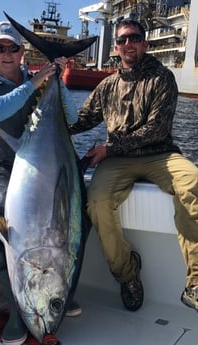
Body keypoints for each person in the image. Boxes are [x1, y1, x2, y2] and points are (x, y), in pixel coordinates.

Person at [70, 19, 198, 312]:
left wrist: (108, 148)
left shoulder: (163, 78)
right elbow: (81, 120)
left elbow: (155, 129)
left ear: (145, 43)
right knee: (97, 203)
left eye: (135, 38)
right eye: (123, 40)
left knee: (192, 181)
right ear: (116, 47)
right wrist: (42, 114)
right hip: (118, 161)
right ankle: (127, 274)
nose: (129, 44)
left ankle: (196, 283)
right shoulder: (107, 86)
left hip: (159, 154)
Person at [0, 21, 81, 345]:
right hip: (2, 165)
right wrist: (37, 81)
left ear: (22, 52)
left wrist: (58, 81)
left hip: (42, 164)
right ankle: (17, 314)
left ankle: (62, 288)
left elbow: (71, 120)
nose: (7, 54)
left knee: (77, 214)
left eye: (13, 48)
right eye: (0, 48)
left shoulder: (44, 80)